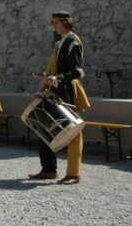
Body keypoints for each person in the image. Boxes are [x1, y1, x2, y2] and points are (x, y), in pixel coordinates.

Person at [29, 11, 90, 185]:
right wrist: (47, 82)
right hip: (55, 90)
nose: (53, 26)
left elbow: (78, 71)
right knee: (45, 128)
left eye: (55, 22)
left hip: (68, 91)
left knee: (73, 131)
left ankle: (73, 173)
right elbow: (54, 70)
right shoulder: (59, 43)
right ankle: (48, 169)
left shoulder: (73, 41)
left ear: (64, 22)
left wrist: (59, 78)